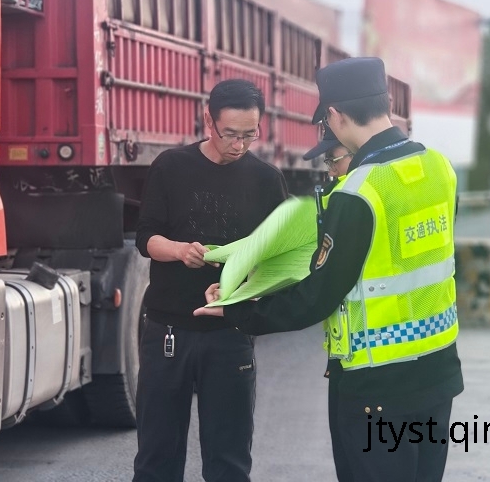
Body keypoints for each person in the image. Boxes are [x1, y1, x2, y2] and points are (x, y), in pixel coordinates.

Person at [195, 57, 464, 482]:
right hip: (438, 371)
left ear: (335, 116)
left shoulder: (358, 191)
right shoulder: (440, 168)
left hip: (376, 384)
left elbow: (318, 296)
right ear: (387, 104)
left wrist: (238, 311)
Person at [133, 79, 288, 482]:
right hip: (167, 331)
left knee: (229, 463)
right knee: (156, 461)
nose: (239, 145)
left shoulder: (267, 180)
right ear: (208, 120)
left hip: (230, 334)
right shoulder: (171, 166)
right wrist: (180, 250)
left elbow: (281, 260)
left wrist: (244, 284)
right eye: (230, 134)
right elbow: (145, 237)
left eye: (250, 134)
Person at [303, 122, 354, 482]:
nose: (330, 170)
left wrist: (244, 310)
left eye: (333, 160)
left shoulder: (355, 201)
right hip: (346, 358)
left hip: (366, 368)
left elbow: (319, 291)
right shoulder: (338, 196)